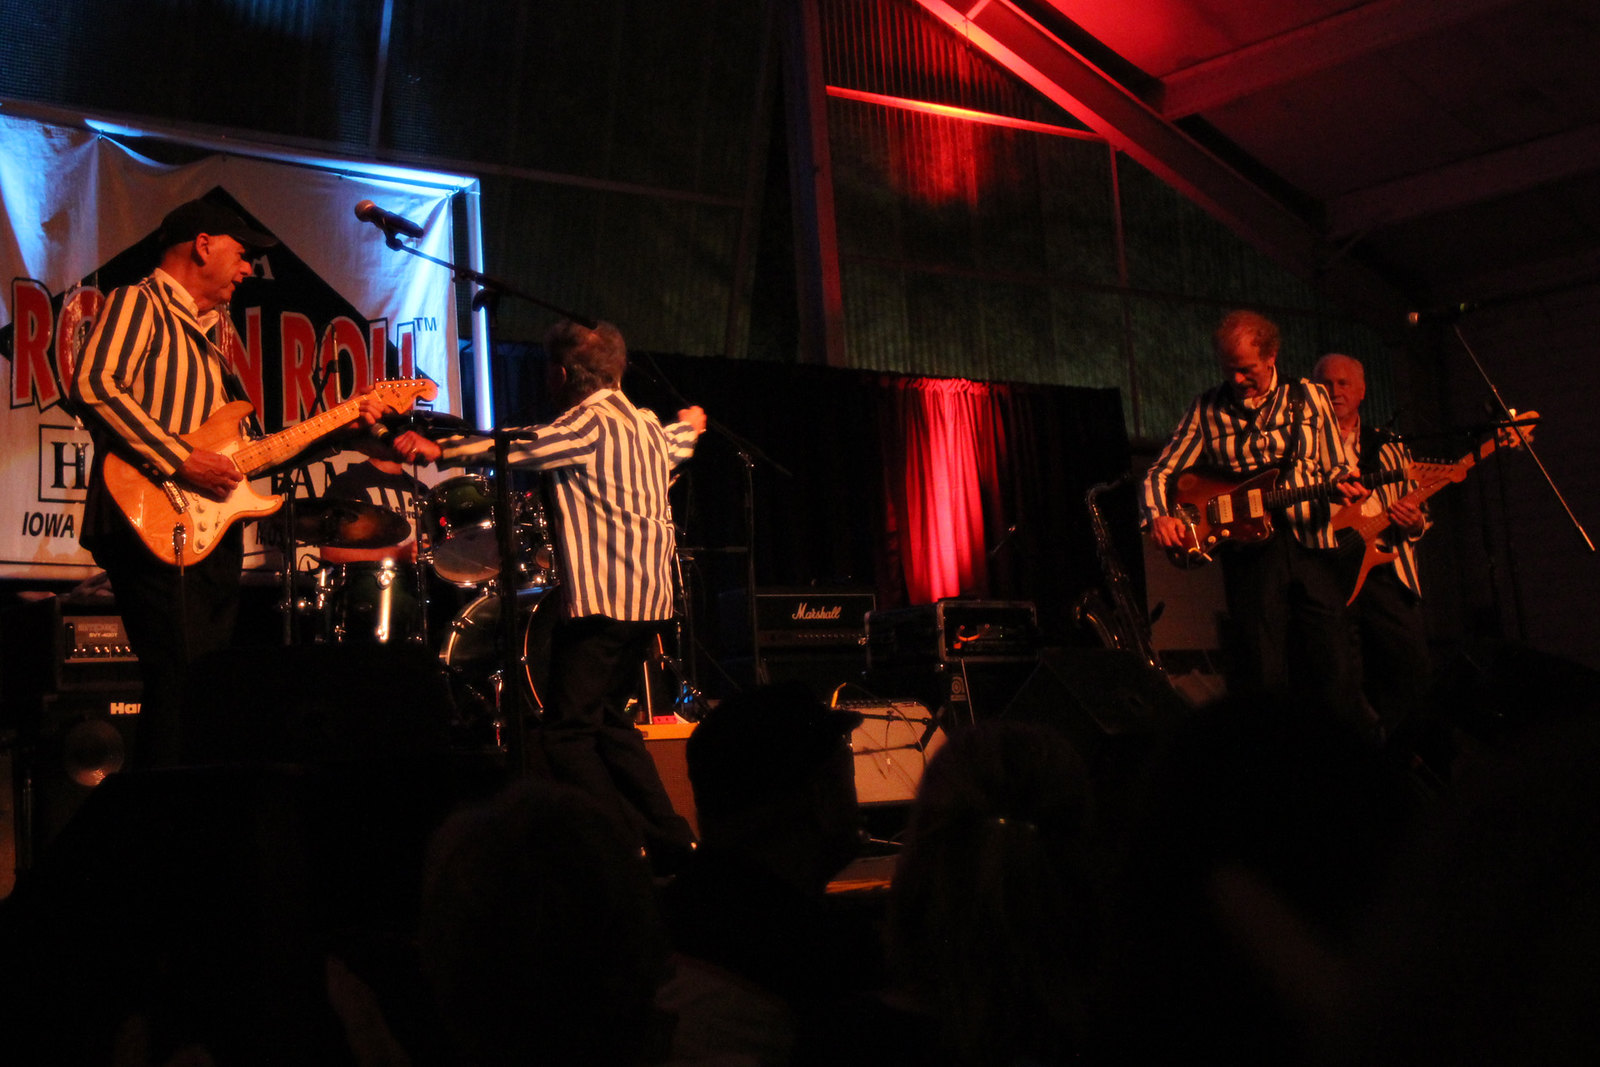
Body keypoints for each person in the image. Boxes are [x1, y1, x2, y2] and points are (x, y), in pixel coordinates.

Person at [73, 197, 395, 767]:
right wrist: (181, 460)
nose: (248, 269)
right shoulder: (139, 302)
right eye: (242, 254)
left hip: (206, 530)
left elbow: (250, 458)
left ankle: (190, 805)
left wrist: (344, 426)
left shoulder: (212, 343)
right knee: (182, 682)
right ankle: (165, 814)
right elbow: (94, 385)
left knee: (202, 685)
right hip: (150, 518)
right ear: (203, 244)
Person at [394, 317, 705, 869]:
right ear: (619, 369)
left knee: (566, 736)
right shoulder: (648, 427)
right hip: (650, 604)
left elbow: (514, 446)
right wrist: (692, 423)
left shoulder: (585, 426)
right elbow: (679, 442)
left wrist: (439, 449)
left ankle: (616, 849)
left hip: (604, 604)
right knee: (609, 721)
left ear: (561, 374)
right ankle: (673, 841)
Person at [1141, 310, 1368, 725]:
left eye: (1247, 370)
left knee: (1335, 665)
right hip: (1250, 557)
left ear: (1271, 357)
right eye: (1229, 370)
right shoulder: (1207, 408)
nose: (1238, 379)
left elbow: (1335, 464)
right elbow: (1161, 472)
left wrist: (1343, 482)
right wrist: (1159, 516)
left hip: (1312, 546)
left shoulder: (1310, 396)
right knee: (1262, 673)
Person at [1312, 354, 1435, 759]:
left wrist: (1414, 521)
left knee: (1409, 672)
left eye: (1343, 383)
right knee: (1340, 679)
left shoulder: (1389, 446)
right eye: (1326, 384)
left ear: (1362, 391)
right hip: (1330, 576)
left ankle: (1414, 763)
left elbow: (1420, 514)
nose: (1335, 392)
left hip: (1386, 573)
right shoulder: (1307, 449)